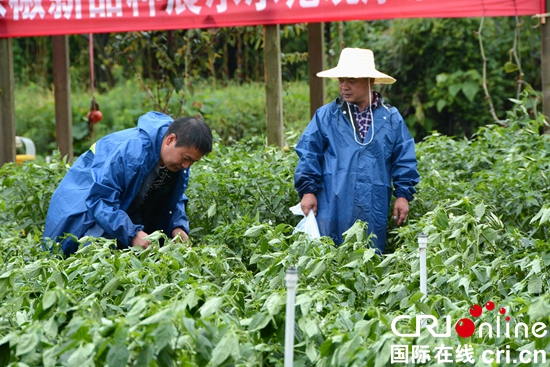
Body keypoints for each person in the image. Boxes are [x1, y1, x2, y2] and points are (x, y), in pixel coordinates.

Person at [294, 48, 420, 252]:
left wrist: (403, 195)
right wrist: (308, 190)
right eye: (341, 80)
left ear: (370, 81)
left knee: (368, 259)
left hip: (374, 204)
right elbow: (309, 153)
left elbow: (404, 159)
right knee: (329, 260)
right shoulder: (326, 116)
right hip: (332, 205)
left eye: (351, 80)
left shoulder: (391, 118)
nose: (344, 86)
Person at [44, 111, 212, 256]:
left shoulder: (176, 161)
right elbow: (100, 202)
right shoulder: (132, 153)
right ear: (170, 140)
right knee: (96, 251)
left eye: (192, 162)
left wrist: (178, 226)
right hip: (82, 208)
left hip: (117, 207)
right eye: (185, 159)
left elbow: (173, 197)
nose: (186, 166)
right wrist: (133, 234)